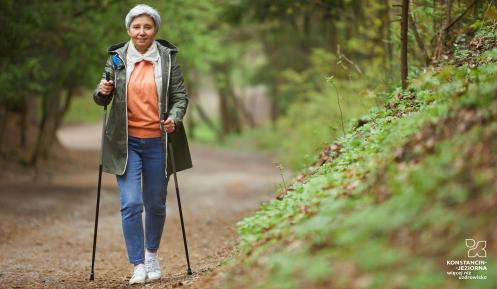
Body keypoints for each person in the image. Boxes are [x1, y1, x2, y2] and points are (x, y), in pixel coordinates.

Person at [93, 4, 192, 285]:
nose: (142, 32)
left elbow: (180, 97)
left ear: (155, 30)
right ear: (128, 30)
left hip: (158, 142)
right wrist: (102, 91)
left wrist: (173, 118)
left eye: (147, 26)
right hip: (126, 144)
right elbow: (102, 98)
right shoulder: (116, 59)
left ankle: (151, 254)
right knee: (131, 203)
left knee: (156, 204)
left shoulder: (168, 59)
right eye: (136, 27)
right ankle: (137, 264)